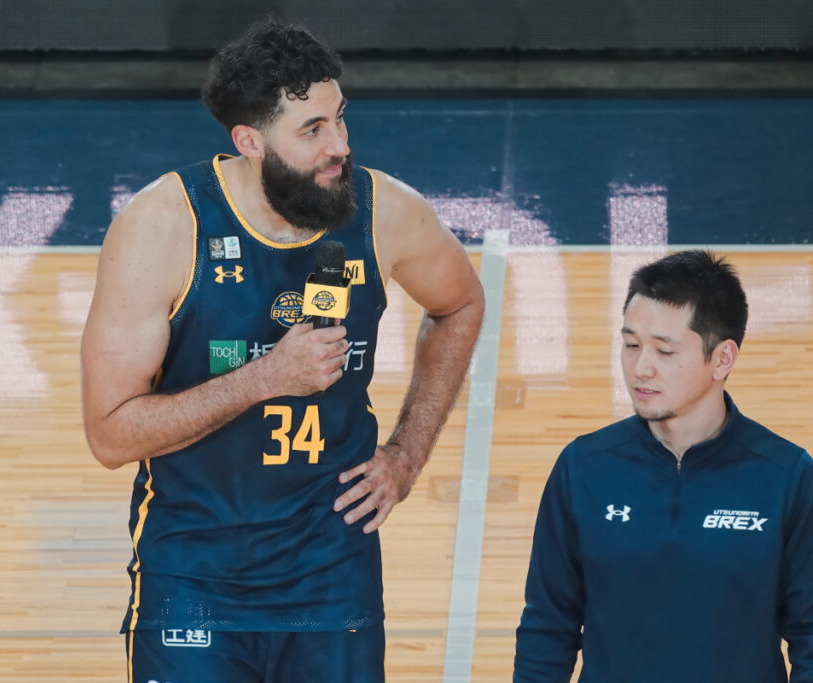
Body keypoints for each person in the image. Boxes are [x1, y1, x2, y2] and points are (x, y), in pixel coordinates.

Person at [80, 18, 484, 683]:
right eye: (312, 130)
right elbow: (110, 435)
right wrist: (265, 377)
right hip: (193, 571)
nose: (340, 146)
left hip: (333, 573)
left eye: (340, 119)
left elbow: (460, 304)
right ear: (249, 141)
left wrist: (407, 455)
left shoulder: (386, 212)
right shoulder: (160, 228)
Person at [514, 250, 813, 682]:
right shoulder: (583, 468)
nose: (641, 368)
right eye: (631, 345)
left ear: (722, 359)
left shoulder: (787, 477)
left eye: (664, 351)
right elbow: (548, 626)